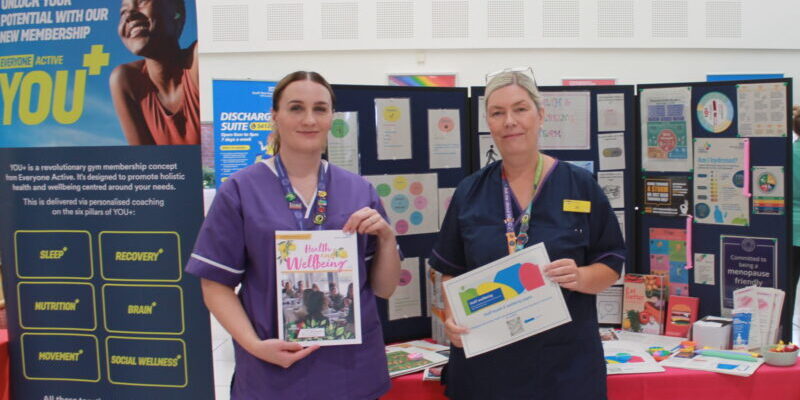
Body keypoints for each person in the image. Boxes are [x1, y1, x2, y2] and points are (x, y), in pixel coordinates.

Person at [185, 71, 401, 399]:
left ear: (331, 117)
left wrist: (386, 238)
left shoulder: (359, 190)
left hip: (350, 371)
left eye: (320, 109)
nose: (309, 120)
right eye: (296, 108)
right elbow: (215, 284)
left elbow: (384, 288)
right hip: (274, 367)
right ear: (275, 116)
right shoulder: (241, 190)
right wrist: (255, 345)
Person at [429, 70, 625, 399]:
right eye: (497, 112)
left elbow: (611, 263)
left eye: (520, 109)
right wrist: (453, 318)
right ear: (488, 122)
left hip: (564, 367)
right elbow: (452, 270)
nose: (510, 121)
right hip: (488, 367)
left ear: (540, 114)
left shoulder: (580, 186)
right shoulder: (470, 192)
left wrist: (579, 276)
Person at [110, 0, 200, 145]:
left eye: (142, 2)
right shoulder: (127, 80)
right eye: (123, 12)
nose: (129, 14)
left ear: (177, 13)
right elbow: (146, 164)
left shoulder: (199, 60)